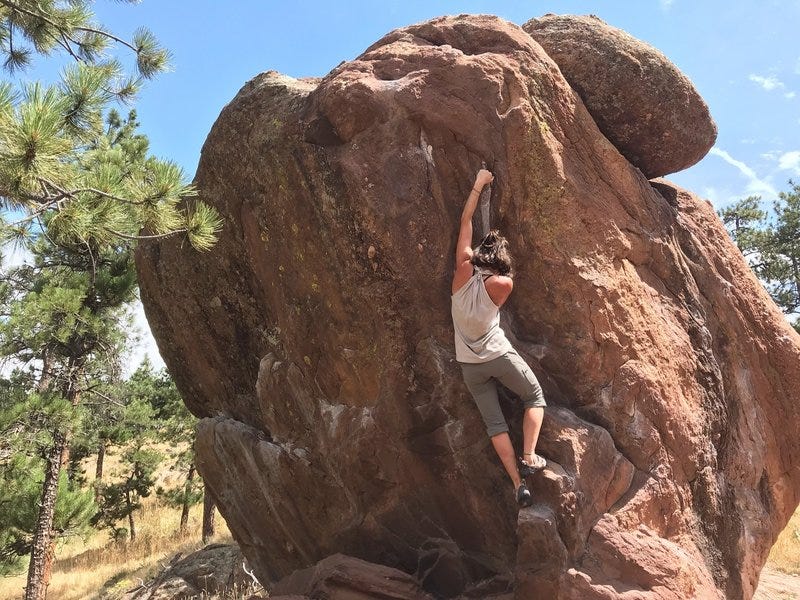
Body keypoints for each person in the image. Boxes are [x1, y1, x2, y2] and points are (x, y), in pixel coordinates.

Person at [451, 168, 547, 508]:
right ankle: (530, 456)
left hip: (468, 364)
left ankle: (517, 484)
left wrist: (478, 185)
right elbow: (503, 276)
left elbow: (465, 222)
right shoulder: (503, 284)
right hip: (497, 355)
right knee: (534, 395)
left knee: (494, 424)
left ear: (478, 255)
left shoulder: (462, 271)